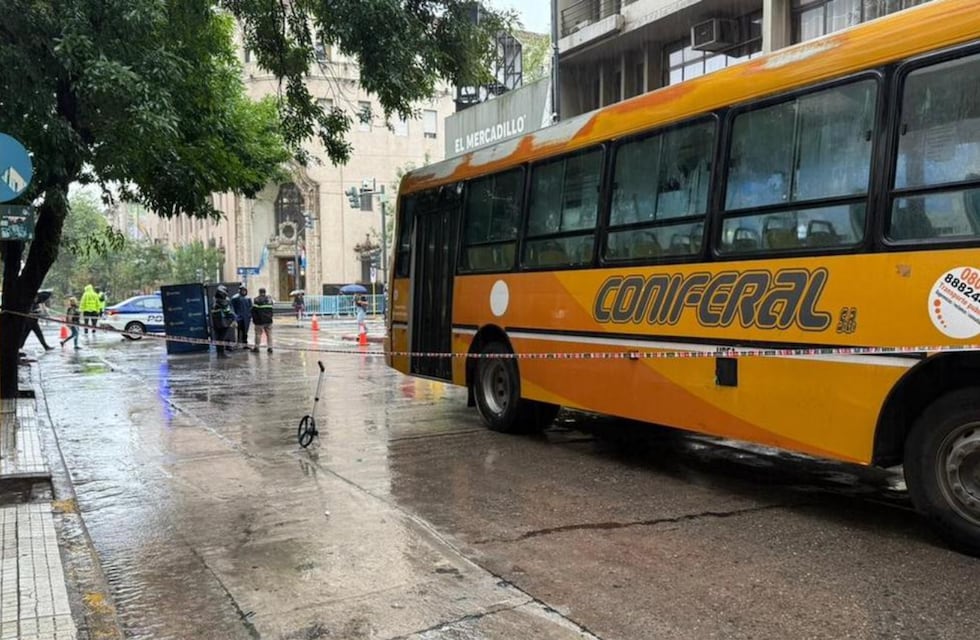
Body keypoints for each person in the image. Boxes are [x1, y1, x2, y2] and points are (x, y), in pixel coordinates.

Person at [210, 285, 237, 358]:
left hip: (216, 322)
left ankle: (219, 354)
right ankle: (221, 354)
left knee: (219, 338)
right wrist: (234, 318)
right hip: (223, 322)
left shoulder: (214, 300)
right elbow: (227, 311)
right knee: (221, 338)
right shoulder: (222, 301)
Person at [251, 287, 274, 353]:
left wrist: (254, 320)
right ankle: (270, 347)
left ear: (259, 292)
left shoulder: (256, 299)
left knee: (258, 334)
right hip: (269, 320)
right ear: (265, 292)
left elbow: (254, 311)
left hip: (259, 321)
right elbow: (271, 310)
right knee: (269, 334)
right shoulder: (269, 300)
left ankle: (257, 348)